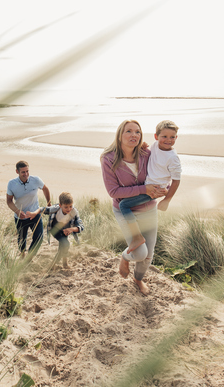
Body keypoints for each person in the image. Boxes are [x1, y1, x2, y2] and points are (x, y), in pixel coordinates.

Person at [100, 120, 167, 295]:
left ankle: (138, 279)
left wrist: (163, 189)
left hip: (149, 208)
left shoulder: (146, 154)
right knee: (139, 254)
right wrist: (144, 189)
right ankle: (124, 257)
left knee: (149, 254)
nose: (134, 135)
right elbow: (114, 191)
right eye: (129, 131)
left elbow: (162, 168)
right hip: (125, 210)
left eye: (137, 132)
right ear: (120, 135)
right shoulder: (108, 159)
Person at [117, 120, 182, 261]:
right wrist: (144, 145)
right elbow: (148, 151)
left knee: (124, 205)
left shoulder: (173, 158)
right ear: (156, 136)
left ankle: (137, 237)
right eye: (164, 136)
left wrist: (167, 199)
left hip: (154, 191)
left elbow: (176, 180)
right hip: (148, 186)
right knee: (127, 205)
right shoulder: (155, 146)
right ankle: (137, 235)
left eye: (172, 137)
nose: (168, 140)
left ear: (176, 138)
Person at [6, 160, 51, 258]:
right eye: (23, 172)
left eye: (27, 171)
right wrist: (17, 211)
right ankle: (22, 254)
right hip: (20, 217)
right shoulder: (11, 184)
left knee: (39, 237)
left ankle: (30, 256)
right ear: (17, 172)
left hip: (35, 214)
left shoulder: (36, 180)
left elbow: (45, 189)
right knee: (22, 239)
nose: (26, 174)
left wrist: (49, 203)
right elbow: (9, 201)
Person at [29, 191, 84, 268]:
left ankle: (63, 264)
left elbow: (81, 226)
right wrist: (34, 213)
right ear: (60, 205)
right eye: (66, 207)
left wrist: (72, 229)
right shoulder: (56, 209)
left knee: (63, 245)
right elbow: (42, 209)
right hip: (55, 229)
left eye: (70, 206)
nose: (69, 209)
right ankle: (54, 264)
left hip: (66, 230)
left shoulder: (74, 212)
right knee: (65, 244)